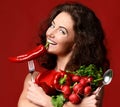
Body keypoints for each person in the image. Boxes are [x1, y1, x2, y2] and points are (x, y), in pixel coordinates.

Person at [18, 2, 109, 107]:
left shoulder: (89, 82)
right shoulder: (33, 79)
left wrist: (47, 101)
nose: (50, 33)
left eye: (62, 31)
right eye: (52, 25)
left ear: (78, 43)